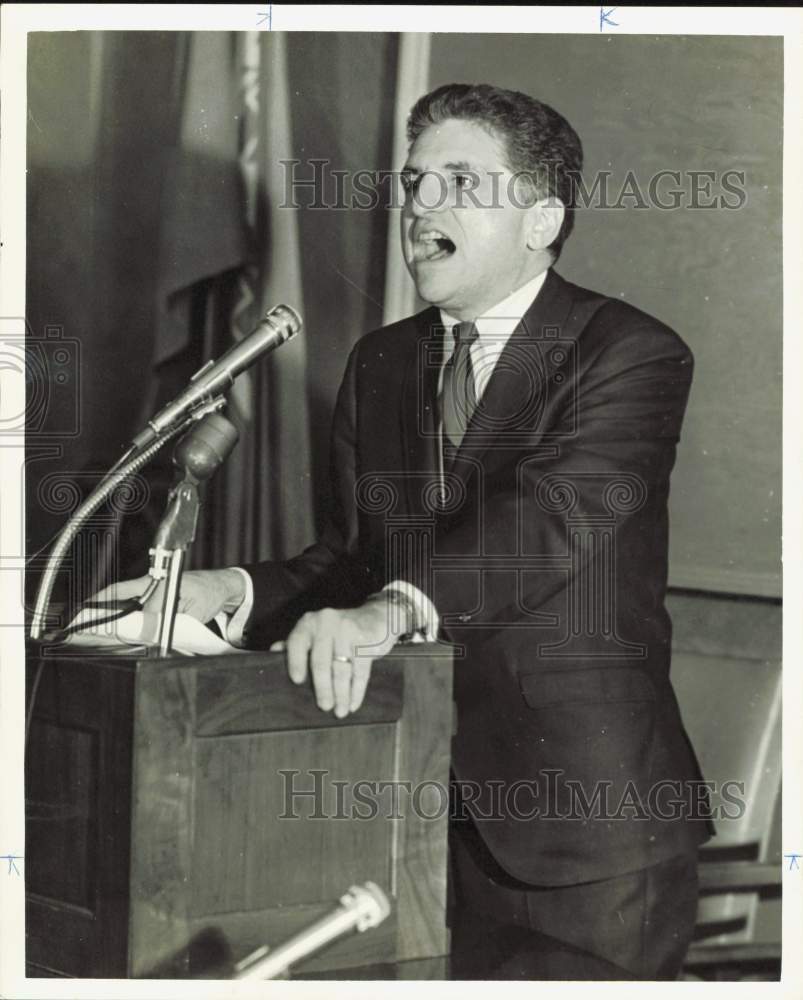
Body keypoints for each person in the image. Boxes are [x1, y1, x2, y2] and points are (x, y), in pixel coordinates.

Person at [97, 83, 713, 979]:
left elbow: (549, 519)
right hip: (402, 807)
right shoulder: (383, 361)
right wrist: (226, 592)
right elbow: (354, 559)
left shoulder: (625, 352)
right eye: (415, 183)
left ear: (541, 219)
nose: (421, 207)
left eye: (460, 183)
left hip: (583, 834)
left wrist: (387, 613)